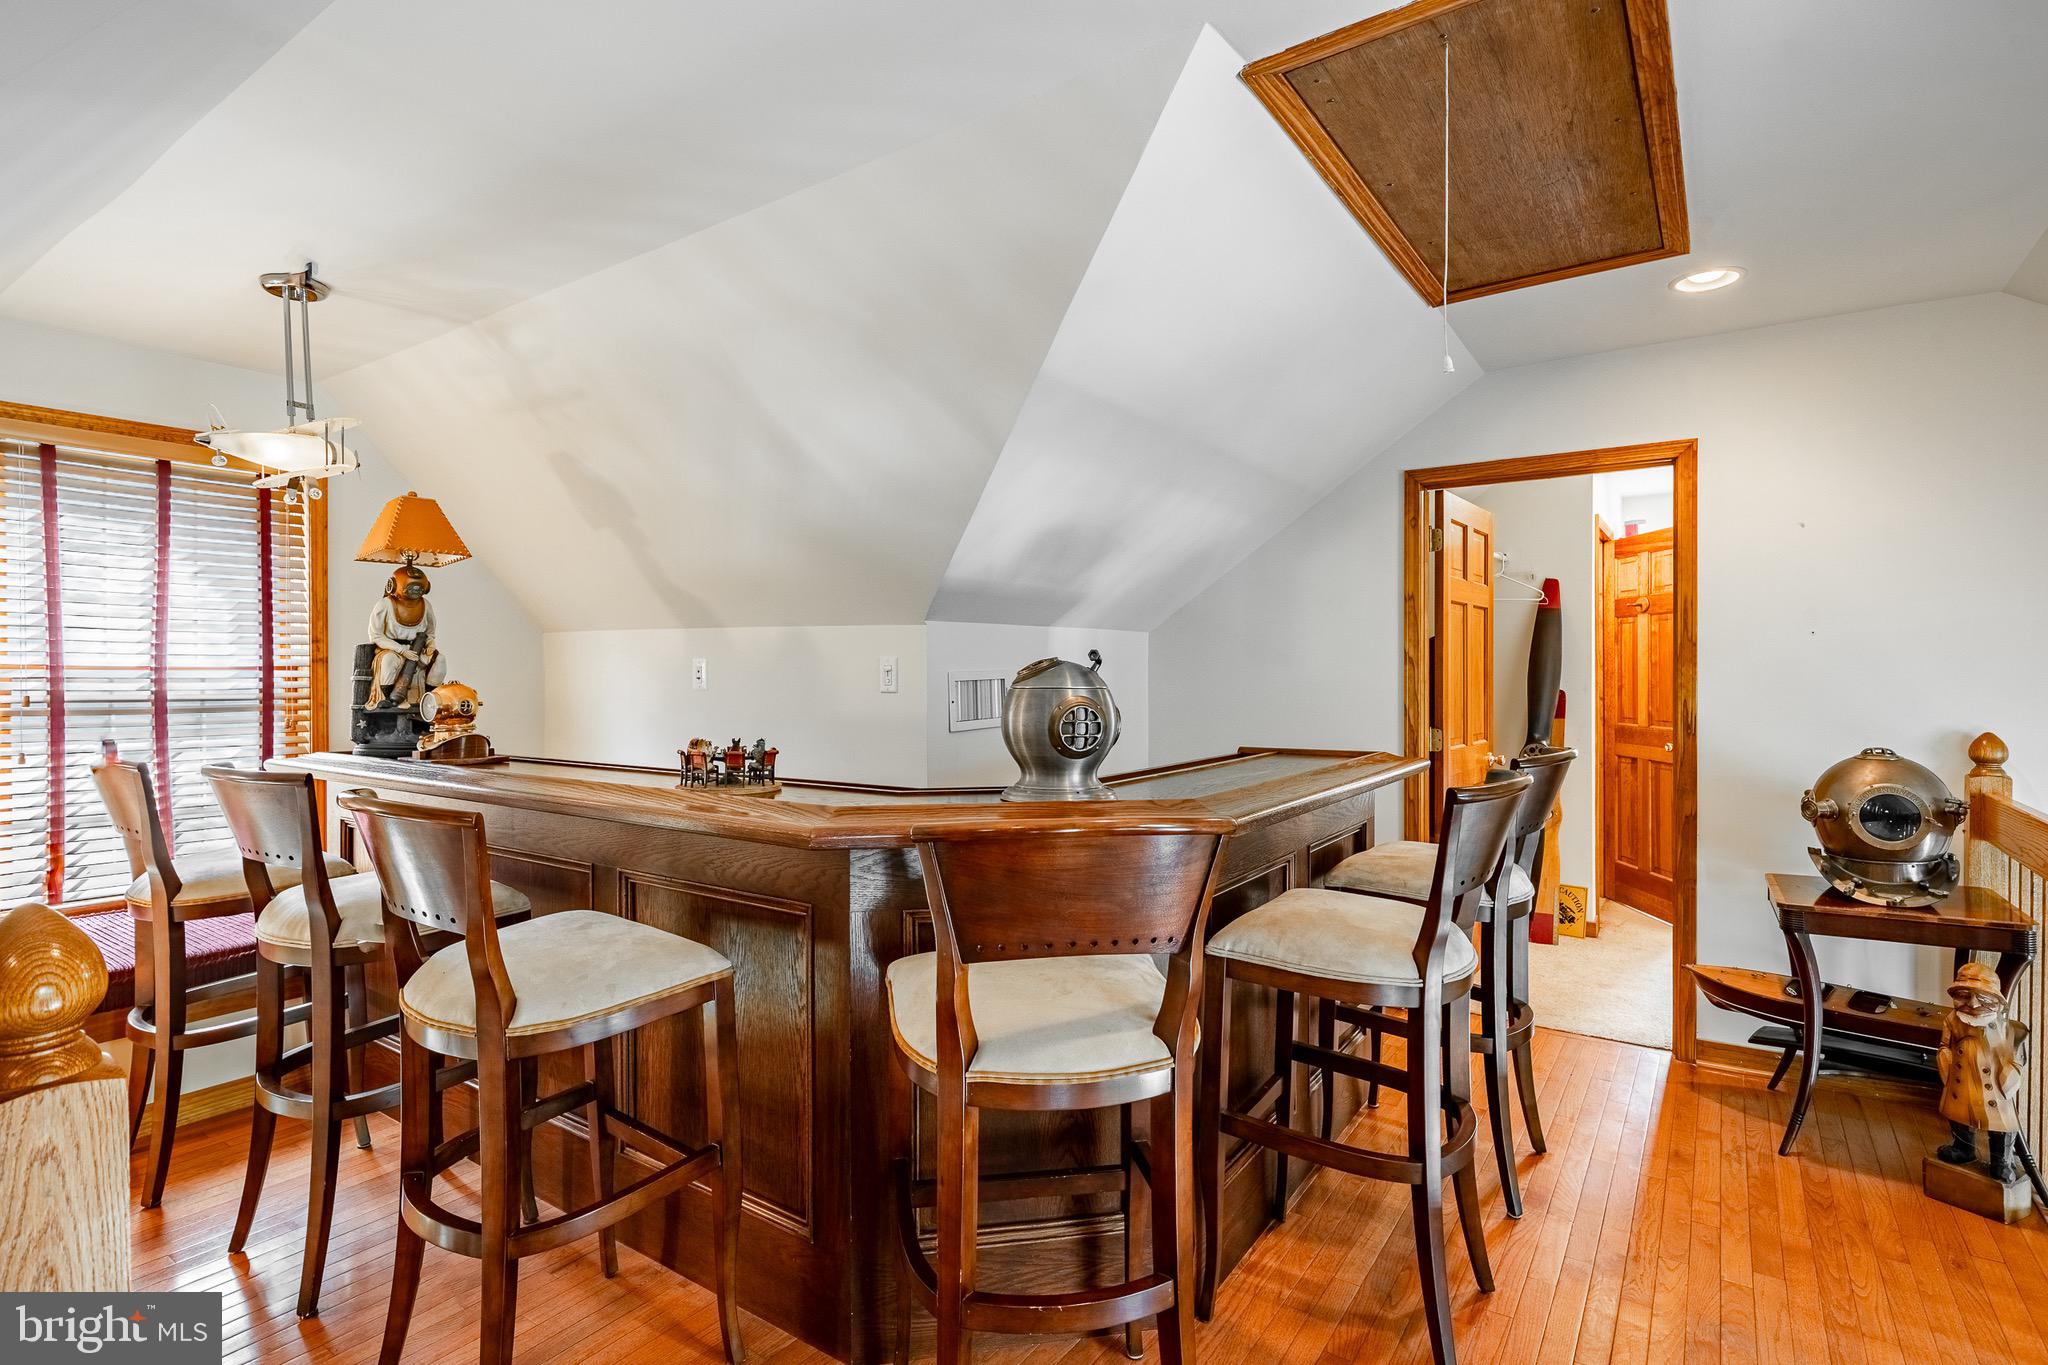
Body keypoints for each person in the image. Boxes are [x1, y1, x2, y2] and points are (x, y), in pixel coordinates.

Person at [366, 564, 447, 710]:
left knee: (439, 660)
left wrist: (430, 644)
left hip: (418, 648)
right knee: (389, 661)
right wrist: (401, 650)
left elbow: (430, 632)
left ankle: (428, 700)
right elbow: (376, 636)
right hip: (391, 649)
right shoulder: (384, 605)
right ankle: (388, 698)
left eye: (419, 587)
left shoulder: (425, 605)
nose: (415, 591)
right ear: (394, 585)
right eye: (411, 586)